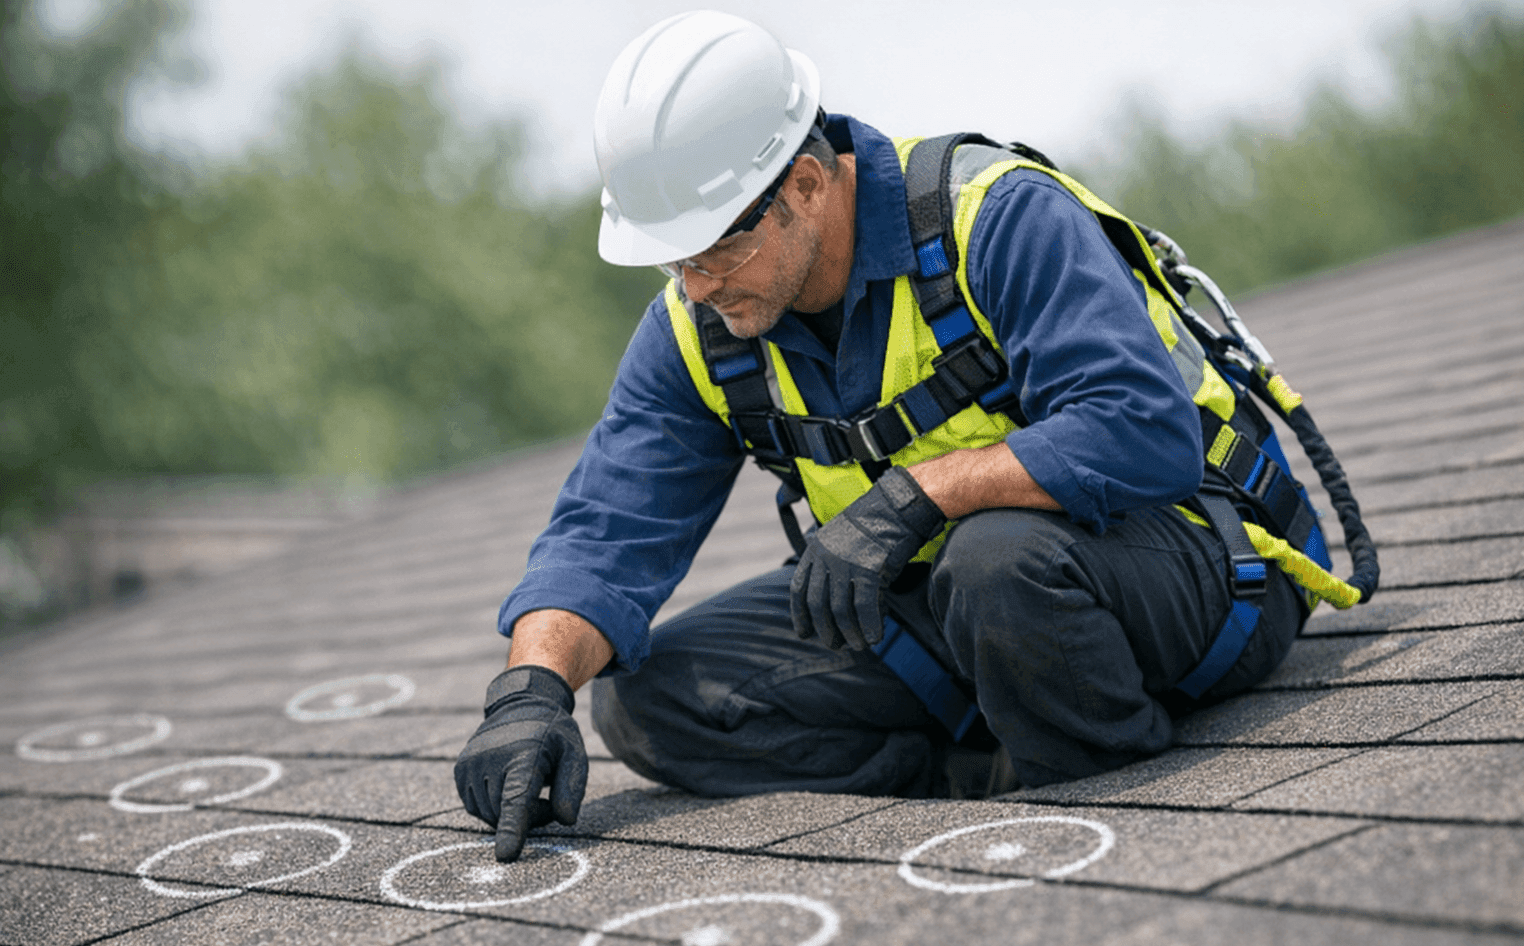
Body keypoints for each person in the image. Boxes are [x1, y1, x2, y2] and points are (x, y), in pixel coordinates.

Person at [454, 10, 1306, 863]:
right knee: (650, 698)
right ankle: (985, 773)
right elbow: (607, 527)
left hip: (1196, 565)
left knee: (995, 560)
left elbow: (1144, 431)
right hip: (973, 618)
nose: (697, 286)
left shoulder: (995, 218)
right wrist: (527, 692)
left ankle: (1097, 787)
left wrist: (921, 494)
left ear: (807, 186)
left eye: (714, 250)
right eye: (671, 260)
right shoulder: (697, 324)